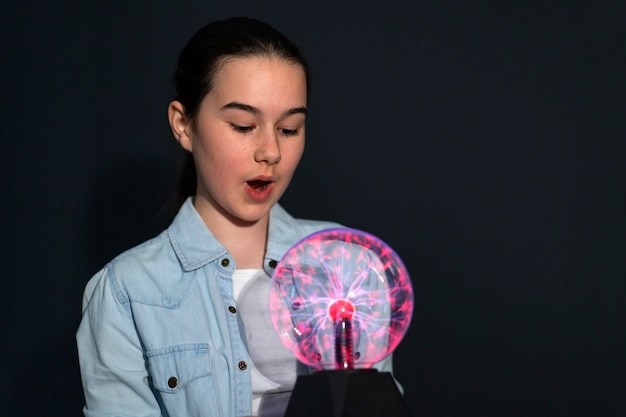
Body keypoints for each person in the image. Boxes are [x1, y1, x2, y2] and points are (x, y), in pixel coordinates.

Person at [76, 16, 396, 417]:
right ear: (183, 124)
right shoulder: (127, 292)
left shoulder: (347, 264)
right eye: (243, 126)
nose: (270, 152)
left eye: (290, 128)